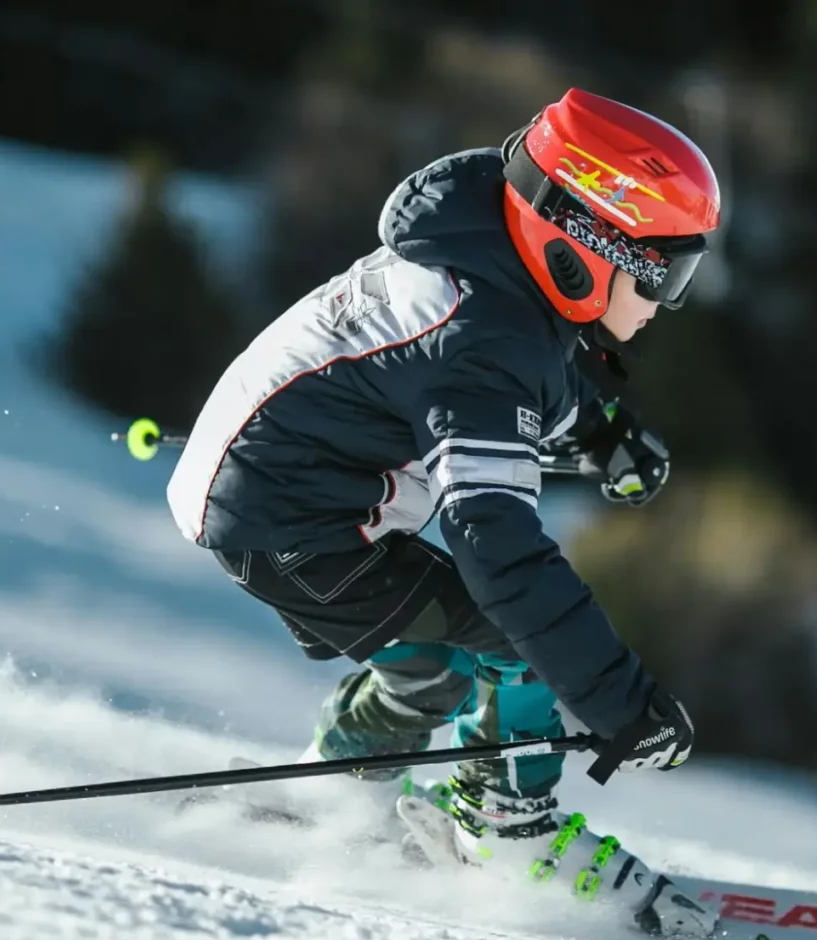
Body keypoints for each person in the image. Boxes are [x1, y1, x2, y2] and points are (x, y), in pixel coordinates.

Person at [167, 88, 719, 881]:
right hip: (288, 520)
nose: (671, 302)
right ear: (593, 245)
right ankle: (508, 831)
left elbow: (515, 377)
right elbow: (496, 547)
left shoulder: (488, 261)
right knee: (515, 647)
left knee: (435, 662)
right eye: (667, 274)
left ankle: (335, 798)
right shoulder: (482, 340)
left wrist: (599, 431)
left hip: (280, 491)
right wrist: (621, 704)